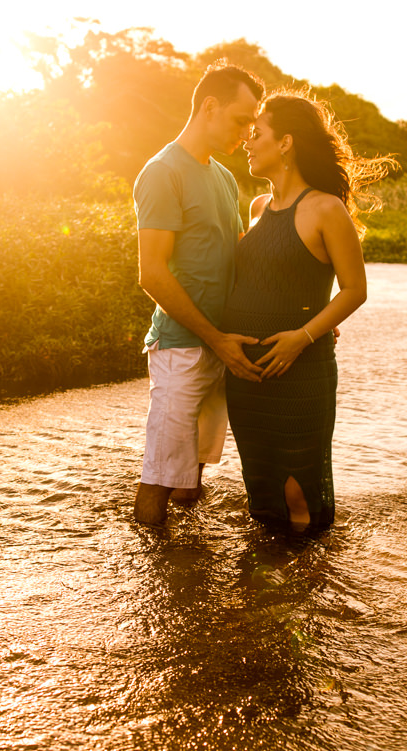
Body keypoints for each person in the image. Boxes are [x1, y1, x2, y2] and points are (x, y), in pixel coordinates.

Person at [220, 87, 394, 535]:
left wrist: (305, 335)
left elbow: (355, 290)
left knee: (298, 493)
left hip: (300, 374)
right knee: (261, 488)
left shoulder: (324, 208)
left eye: (257, 133)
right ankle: (265, 593)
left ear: (286, 142)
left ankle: (307, 590)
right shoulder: (258, 208)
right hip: (246, 377)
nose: (247, 141)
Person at [132, 62, 266, 526]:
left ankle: (189, 574)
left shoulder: (225, 179)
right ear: (210, 106)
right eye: (241, 120)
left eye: (254, 123)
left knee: (192, 478)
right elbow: (151, 273)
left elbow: (238, 266)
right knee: (160, 477)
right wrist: (214, 337)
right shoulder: (161, 172)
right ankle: (151, 581)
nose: (249, 132)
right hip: (181, 348)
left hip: (222, 347)